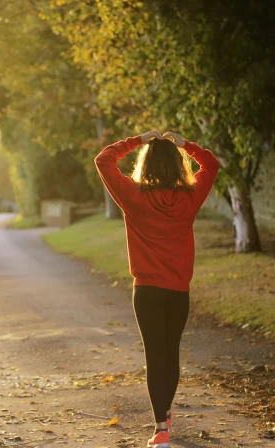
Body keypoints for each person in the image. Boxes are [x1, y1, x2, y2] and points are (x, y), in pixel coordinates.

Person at [94, 130, 220, 448]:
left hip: (147, 290)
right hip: (178, 290)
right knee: (170, 354)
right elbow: (212, 164)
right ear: (178, 166)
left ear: (145, 165)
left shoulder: (133, 196)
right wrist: (185, 145)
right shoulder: (190, 197)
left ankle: (161, 429)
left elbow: (103, 159)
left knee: (155, 355)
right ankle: (164, 412)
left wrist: (138, 140)